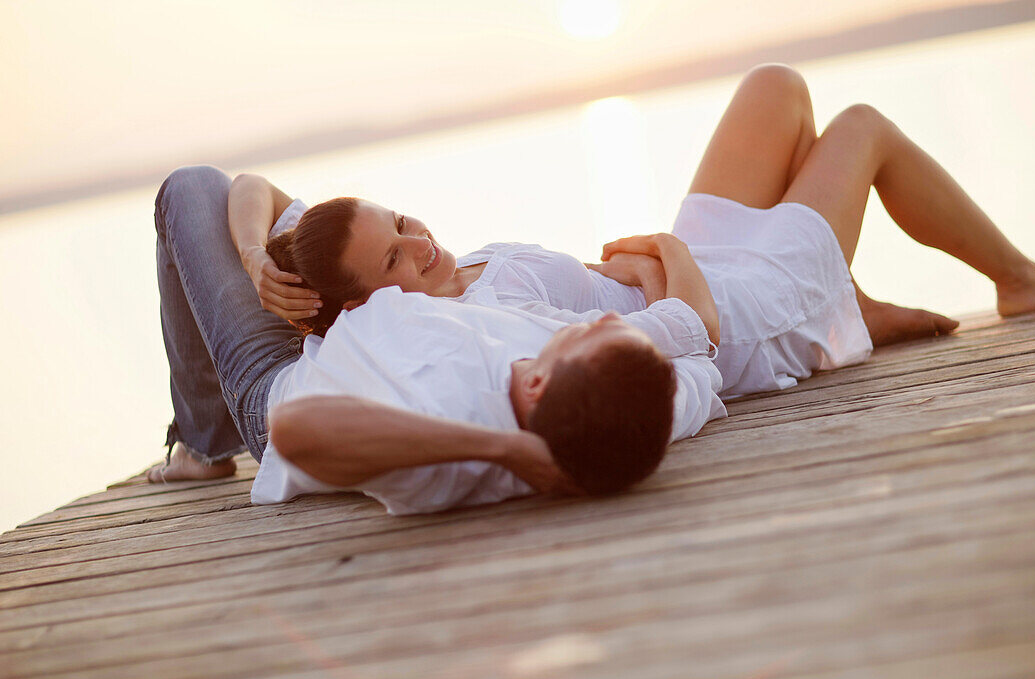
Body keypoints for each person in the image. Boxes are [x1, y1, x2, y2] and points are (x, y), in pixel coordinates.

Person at [244, 64, 1035, 403]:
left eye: (401, 220)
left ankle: (852, 304)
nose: (418, 243)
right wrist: (663, 263)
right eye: (394, 256)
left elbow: (244, 187)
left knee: (776, 89)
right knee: (861, 127)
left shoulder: (452, 275)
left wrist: (255, 257)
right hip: (739, 309)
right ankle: (1015, 277)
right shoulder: (473, 324)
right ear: (362, 305)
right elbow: (663, 340)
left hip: (691, 262)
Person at [147, 164, 725, 510]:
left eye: (400, 241)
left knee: (189, 187)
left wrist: (507, 449)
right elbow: (696, 341)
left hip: (276, 389)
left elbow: (293, 429)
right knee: (232, 200)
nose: (597, 325)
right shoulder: (543, 342)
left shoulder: (454, 432)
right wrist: (255, 262)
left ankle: (203, 444)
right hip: (328, 330)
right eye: (398, 230)